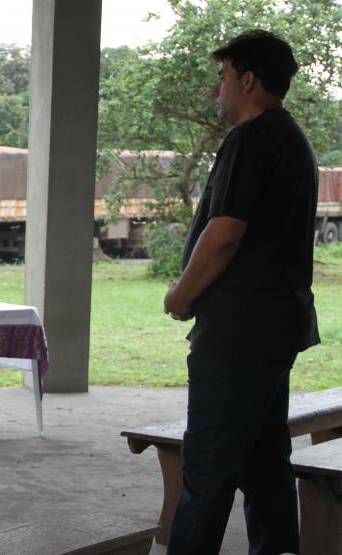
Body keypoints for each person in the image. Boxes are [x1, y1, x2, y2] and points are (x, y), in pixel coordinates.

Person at [163, 30, 320, 554]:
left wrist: (182, 295)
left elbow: (224, 233)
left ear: (247, 79)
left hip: (237, 336)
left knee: (206, 474)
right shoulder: (292, 139)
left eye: (223, 77)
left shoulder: (251, 139)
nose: (217, 90)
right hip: (274, 331)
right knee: (264, 465)